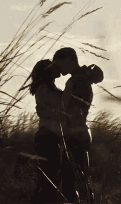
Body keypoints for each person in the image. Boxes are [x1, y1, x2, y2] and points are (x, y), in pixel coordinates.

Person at [51, 47, 104, 203]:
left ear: (68, 60)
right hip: (78, 133)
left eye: (59, 62)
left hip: (75, 134)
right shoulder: (80, 79)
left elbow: (74, 110)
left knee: (72, 183)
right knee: (76, 181)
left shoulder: (78, 80)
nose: (58, 68)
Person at [29, 59, 65, 203]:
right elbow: (59, 104)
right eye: (52, 66)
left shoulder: (46, 88)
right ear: (47, 71)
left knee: (48, 178)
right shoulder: (45, 89)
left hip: (47, 135)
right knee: (49, 179)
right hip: (48, 136)